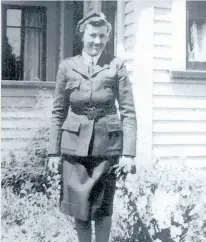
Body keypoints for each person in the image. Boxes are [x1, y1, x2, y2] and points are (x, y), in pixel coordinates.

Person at [48, 11, 137, 242]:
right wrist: (53, 152)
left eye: (102, 36)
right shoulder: (67, 67)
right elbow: (58, 112)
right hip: (74, 148)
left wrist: (128, 153)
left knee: (102, 209)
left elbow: (128, 111)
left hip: (106, 148)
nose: (97, 41)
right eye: (92, 35)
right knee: (80, 209)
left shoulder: (116, 66)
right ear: (82, 35)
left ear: (107, 37)